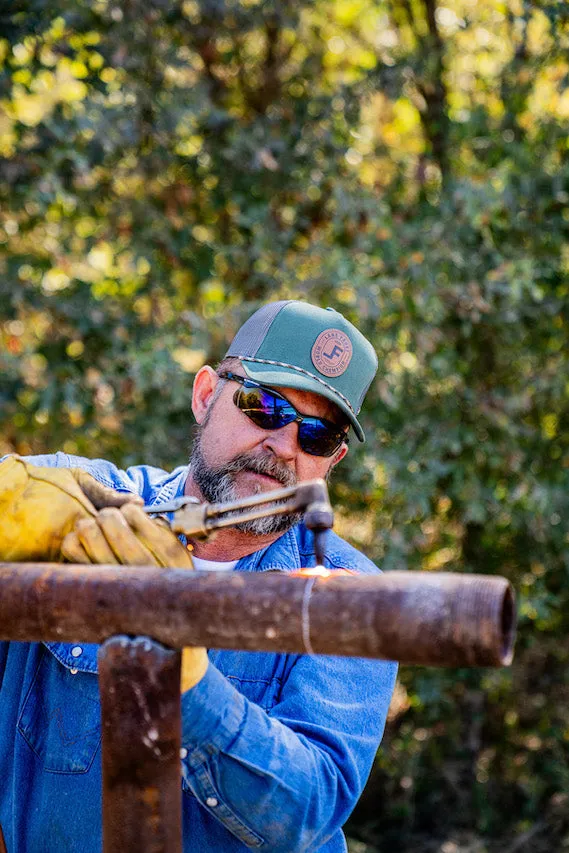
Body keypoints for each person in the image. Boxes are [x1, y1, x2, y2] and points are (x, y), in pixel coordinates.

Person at [0, 300, 397, 852]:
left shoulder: (353, 596)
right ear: (206, 395)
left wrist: (186, 678)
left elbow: (308, 808)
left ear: (332, 462)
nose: (284, 445)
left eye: (317, 436)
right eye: (264, 405)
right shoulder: (91, 505)